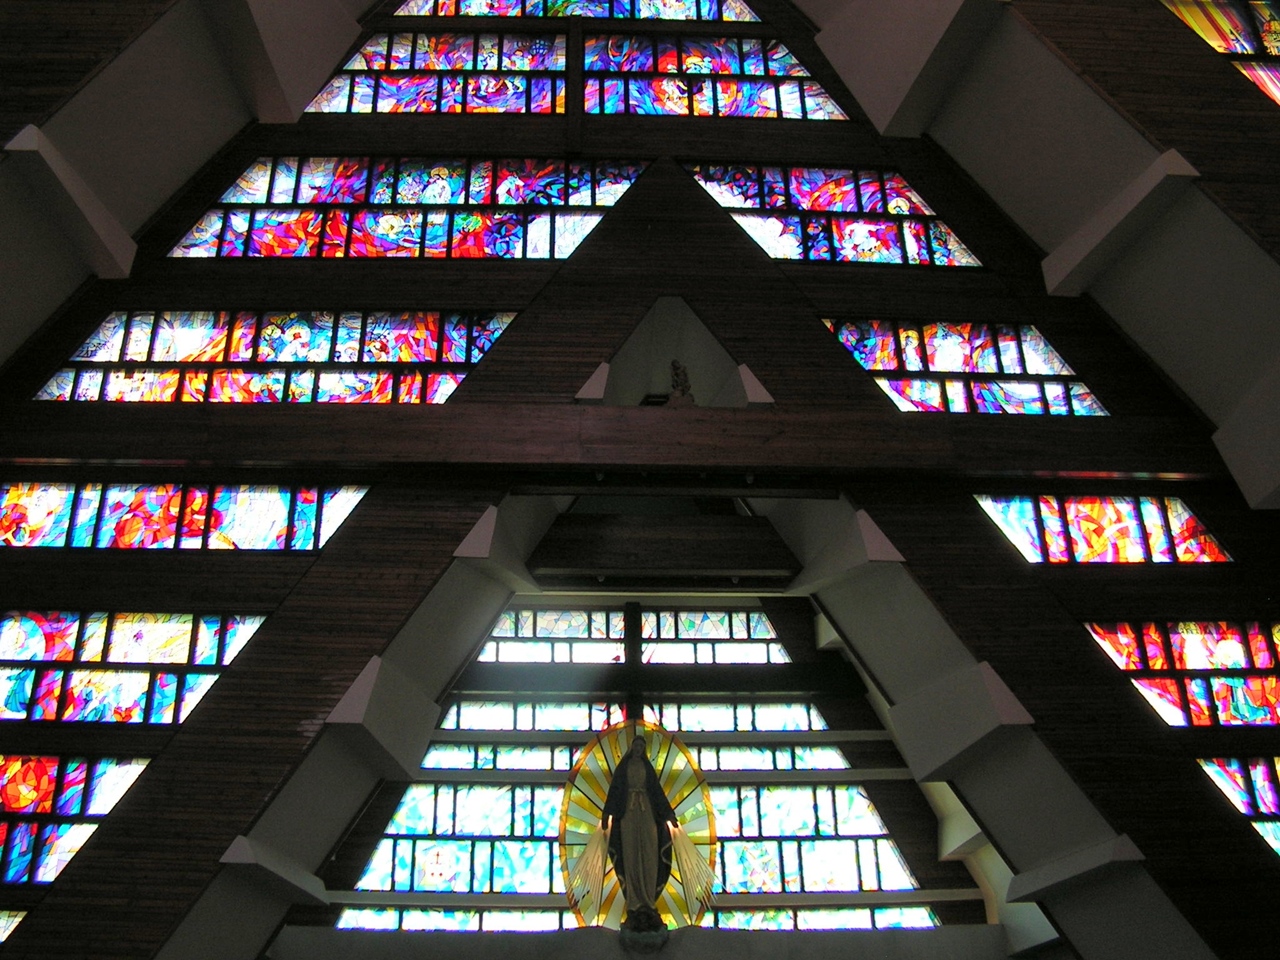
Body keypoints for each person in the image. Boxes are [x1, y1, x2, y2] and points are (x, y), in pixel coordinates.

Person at [601, 736, 677, 932]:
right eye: (635, 745)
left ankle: (648, 900)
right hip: (628, 813)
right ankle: (634, 901)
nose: (638, 748)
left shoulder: (647, 769)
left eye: (641, 746)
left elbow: (657, 792)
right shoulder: (623, 768)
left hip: (647, 812)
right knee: (630, 854)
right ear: (631, 747)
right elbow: (615, 790)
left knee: (650, 853)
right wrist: (607, 814)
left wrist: (669, 815)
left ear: (644, 749)